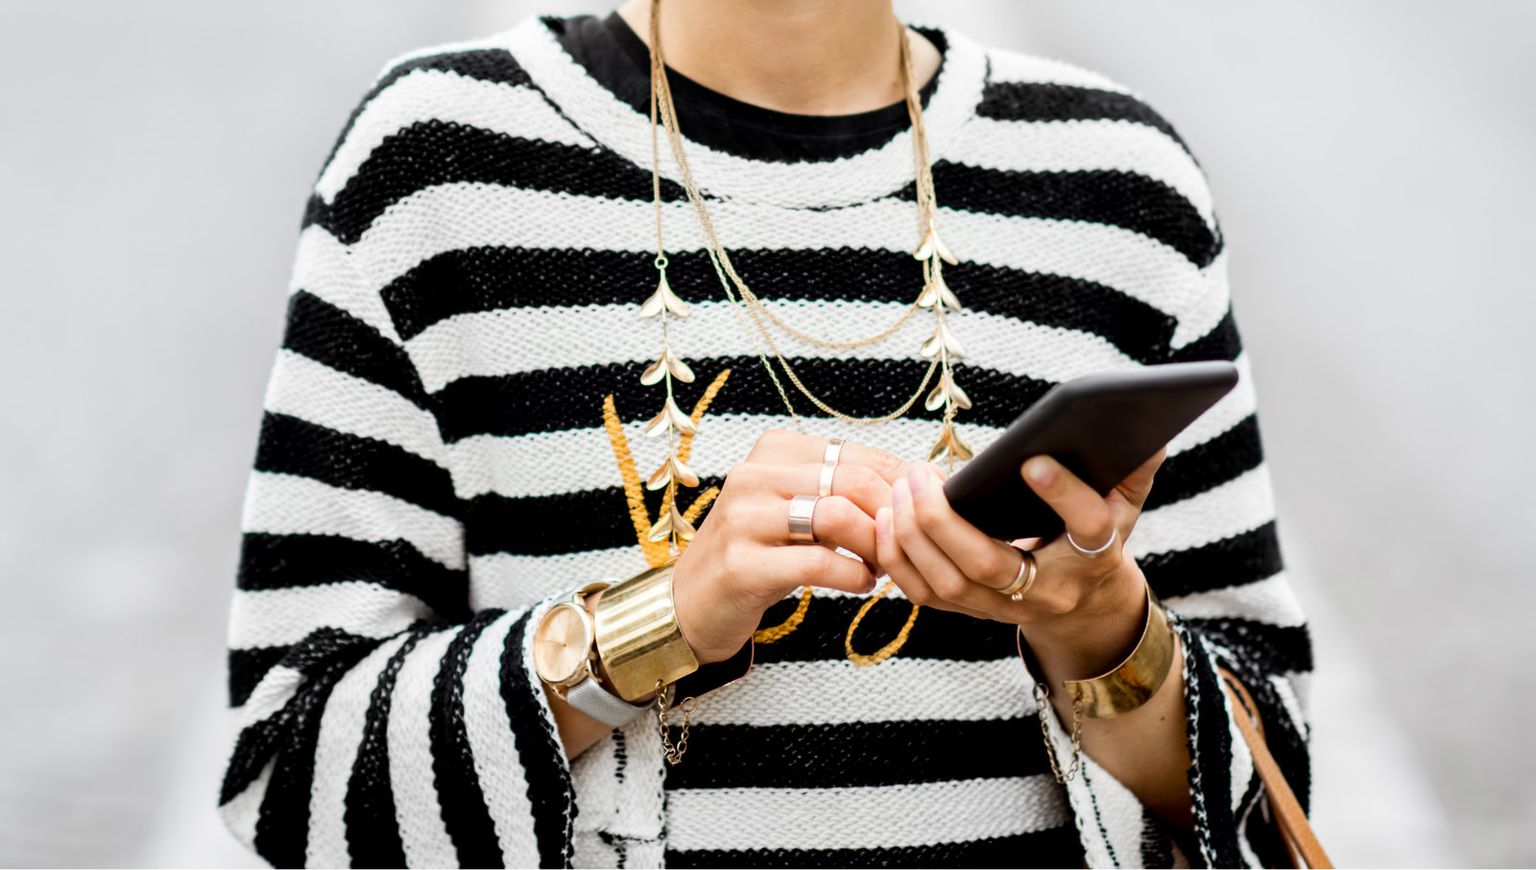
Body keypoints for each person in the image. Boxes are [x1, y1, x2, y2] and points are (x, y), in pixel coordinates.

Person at [217, 0, 1314, 866]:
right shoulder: (433, 164)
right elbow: (288, 775)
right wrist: (655, 624)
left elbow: (1272, 796)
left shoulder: (1120, 188)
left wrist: (1104, 628)